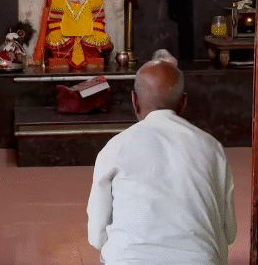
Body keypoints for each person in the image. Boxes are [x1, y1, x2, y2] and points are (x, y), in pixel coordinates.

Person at [87, 60, 237, 265]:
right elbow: (229, 233)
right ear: (183, 103)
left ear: (134, 101)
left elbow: (96, 236)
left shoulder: (115, 148)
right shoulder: (211, 147)